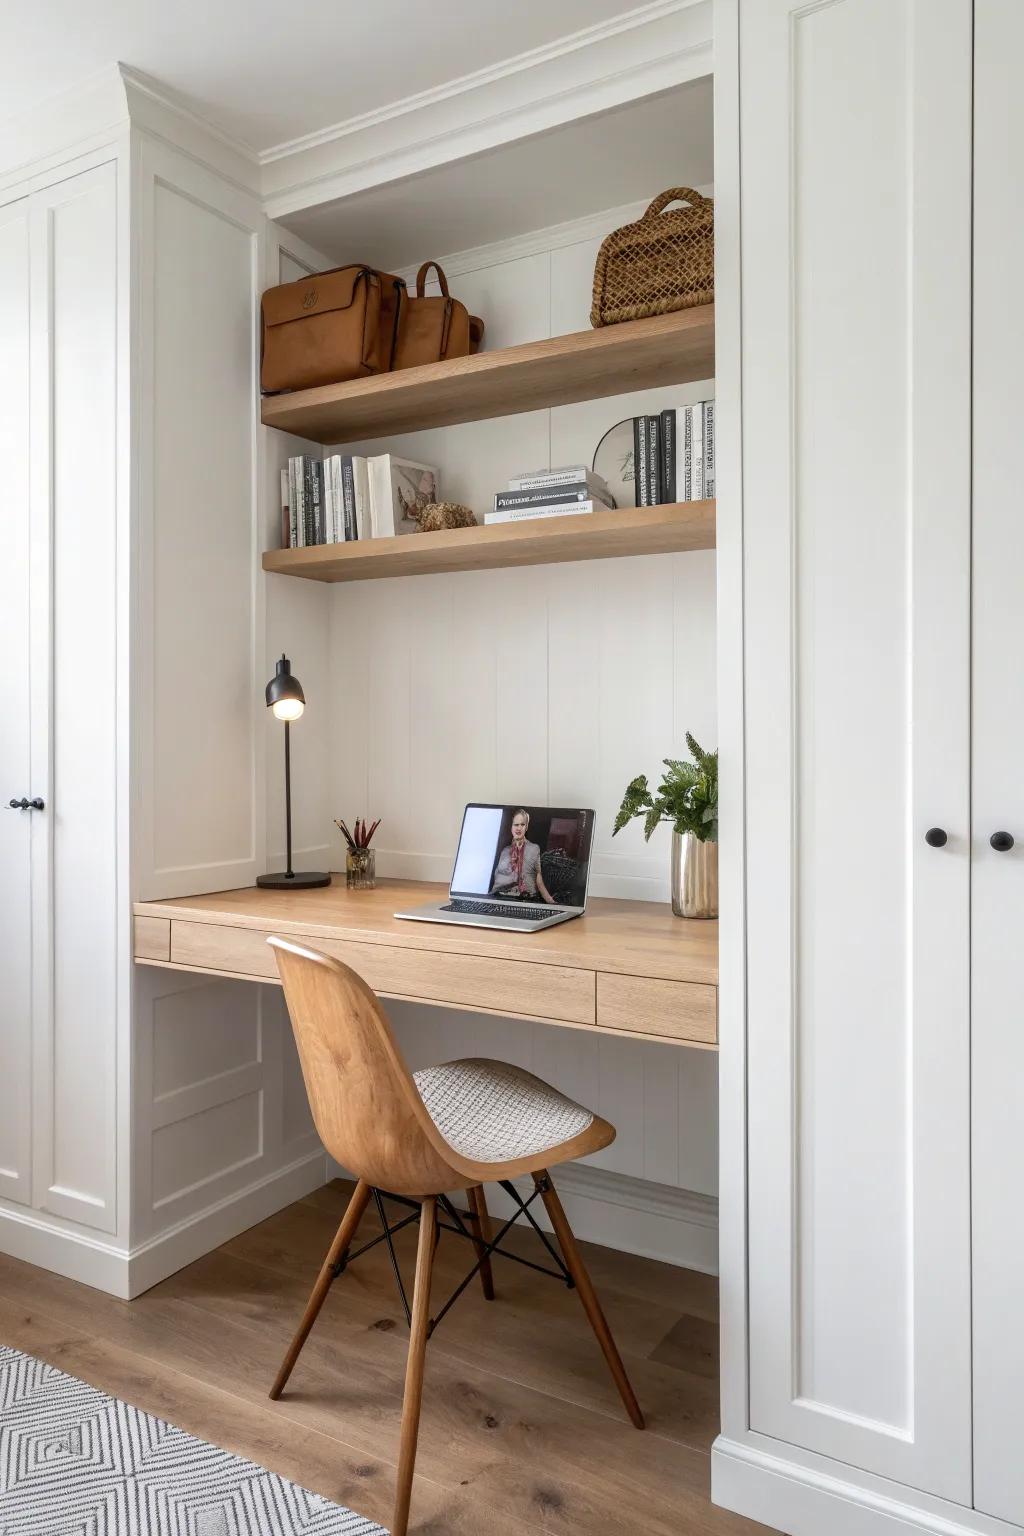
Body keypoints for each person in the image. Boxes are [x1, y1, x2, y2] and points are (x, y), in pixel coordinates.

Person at [490, 809, 555, 904]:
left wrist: (550, 901)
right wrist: (490, 899)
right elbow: (497, 878)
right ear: (511, 827)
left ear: (526, 827)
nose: (519, 828)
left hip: (526, 899)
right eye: (516, 825)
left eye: (522, 824)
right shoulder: (505, 851)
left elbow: (538, 877)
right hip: (502, 898)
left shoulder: (534, 849)